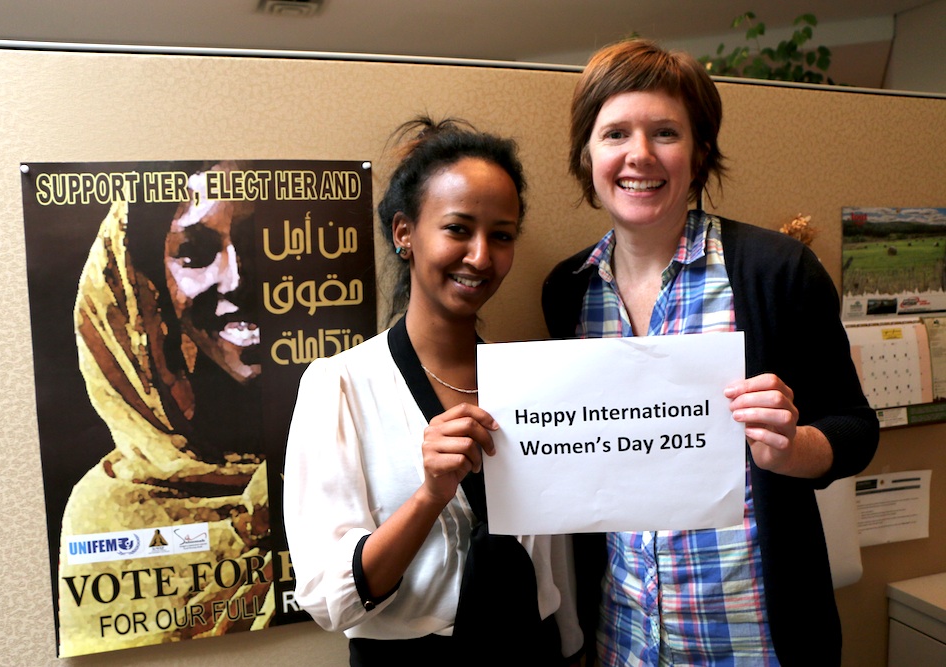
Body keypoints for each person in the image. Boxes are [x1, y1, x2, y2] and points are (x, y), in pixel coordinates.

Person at [542, 39, 879, 666]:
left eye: (665, 132)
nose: (639, 155)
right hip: (626, 640)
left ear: (698, 155)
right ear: (586, 154)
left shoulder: (775, 273)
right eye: (614, 133)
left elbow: (856, 429)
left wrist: (793, 447)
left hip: (754, 642)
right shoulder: (568, 292)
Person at [284, 117, 583, 666]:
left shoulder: (532, 382)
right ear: (405, 234)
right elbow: (332, 602)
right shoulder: (342, 387)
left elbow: (552, 567)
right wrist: (429, 495)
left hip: (532, 650)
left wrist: (570, 643)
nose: (480, 256)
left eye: (502, 235)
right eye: (458, 228)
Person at [57, 162, 273, 657]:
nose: (237, 278)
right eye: (195, 254)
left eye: (262, 242)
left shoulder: (342, 442)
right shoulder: (109, 514)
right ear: (149, 292)